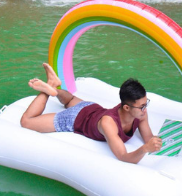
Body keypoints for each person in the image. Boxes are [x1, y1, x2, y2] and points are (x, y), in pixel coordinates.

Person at [20, 63, 162, 164]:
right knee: (26, 122)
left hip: (90, 107)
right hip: (75, 117)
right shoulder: (109, 123)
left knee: (69, 100)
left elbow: (148, 138)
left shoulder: (140, 113)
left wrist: (153, 143)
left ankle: (55, 87)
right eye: (142, 106)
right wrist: (144, 149)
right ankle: (49, 89)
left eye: (145, 103)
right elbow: (123, 156)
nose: (145, 109)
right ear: (126, 107)